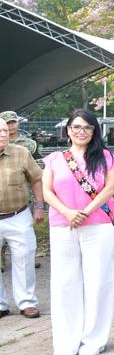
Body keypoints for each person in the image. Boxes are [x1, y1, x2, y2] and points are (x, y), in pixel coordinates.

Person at [41, 110, 114, 355]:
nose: (81, 132)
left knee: (99, 282)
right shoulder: (55, 159)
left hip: (98, 224)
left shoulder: (106, 157)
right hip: (63, 225)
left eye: (87, 127)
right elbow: (47, 192)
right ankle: (67, 341)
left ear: (94, 131)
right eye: (76, 127)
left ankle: (94, 339)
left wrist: (85, 211)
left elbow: (110, 188)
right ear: (68, 130)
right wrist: (67, 212)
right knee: (65, 283)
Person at [0, 122, 45, 319]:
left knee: (24, 259)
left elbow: (36, 179)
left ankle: (27, 302)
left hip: (18, 215)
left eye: (4, 130)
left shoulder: (21, 152)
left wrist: (39, 206)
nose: (3, 134)